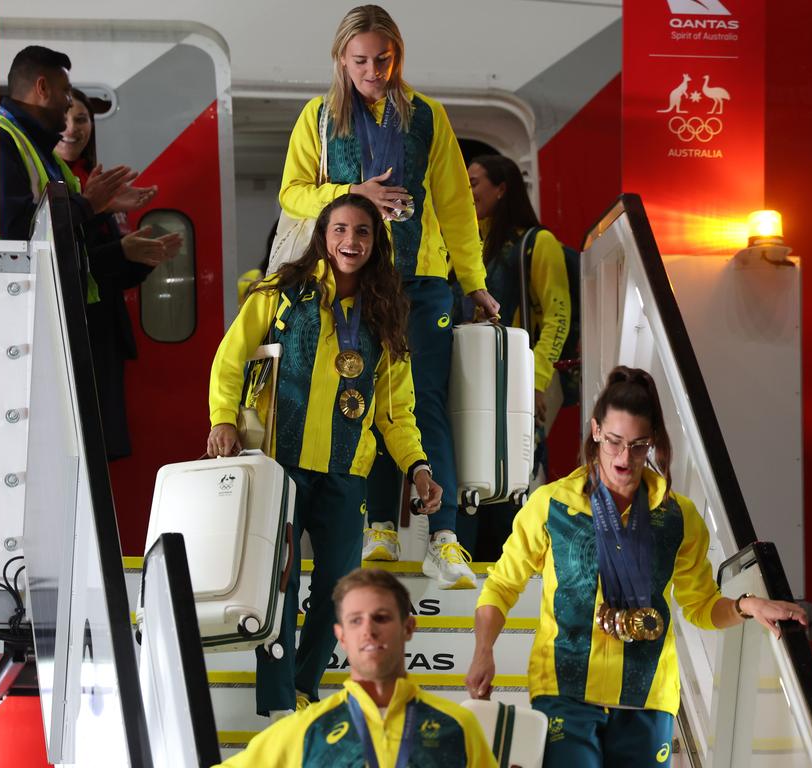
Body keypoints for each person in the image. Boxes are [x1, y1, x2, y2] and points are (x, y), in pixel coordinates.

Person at [465, 366, 809, 767]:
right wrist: (483, 650)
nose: (624, 459)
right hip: (566, 689)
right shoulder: (552, 505)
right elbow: (502, 585)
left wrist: (748, 606)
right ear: (595, 431)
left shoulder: (680, 517)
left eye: (637, 445)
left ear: (652, 444)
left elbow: (700, 606)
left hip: (649, 698)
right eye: (613, 441)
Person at [277, 4, 499, 589]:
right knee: (363, 400)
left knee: (425, 404)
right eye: (361, 61)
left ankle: (444, 537)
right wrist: (354, 191)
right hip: (348, 281)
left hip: (422, 283)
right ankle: (379, 525)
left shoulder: (428, 116)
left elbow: (455, 205)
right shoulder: (319, 118)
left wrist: (473, 282)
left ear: (397, 56)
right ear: (340, 61)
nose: (373, 70)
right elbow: (293, 193)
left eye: (384, 59)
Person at [206, 194, 442, 720]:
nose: (350, 242)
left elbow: (395, 411)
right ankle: (277, 703)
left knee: (339, 590)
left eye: (361, 232)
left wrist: (418, 467)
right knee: (282, 585)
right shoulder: (280, 295)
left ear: (375, 242)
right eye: (339, 230)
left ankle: (304, 686)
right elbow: (230, 360)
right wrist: (223, 418)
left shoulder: (385, 315)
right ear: (323, 235)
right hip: (279, 467)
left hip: (344, 474)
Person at [217, 568, 497, 767]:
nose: (368, 631)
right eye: (355, 621)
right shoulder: (307, 730)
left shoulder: (458, 726)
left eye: (381, 617)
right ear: (341, 636)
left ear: (408, 627)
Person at [455, 154, 573, 559]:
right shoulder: (466, 244)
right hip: (476, 381)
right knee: (472, 468)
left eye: (473, 183)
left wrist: (536, 381)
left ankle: (512, 562)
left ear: (502, 188)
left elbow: (558, 313)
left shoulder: (535, 242)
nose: (466, 192)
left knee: (515, 472)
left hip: (522, 380)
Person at [54, 89, 181, 460]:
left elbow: (105, 272)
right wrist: (118, 248)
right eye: (64, 118)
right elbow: (63, 261)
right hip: (72, 335)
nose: (72, 128)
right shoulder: (57, 182)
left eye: (81, 119)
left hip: (102, 336)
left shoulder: (91, 182)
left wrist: (143, 258)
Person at [0, 46, 138, 242]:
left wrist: (102, 207)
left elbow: (67, 237)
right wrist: (87, 203)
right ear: (43, 88)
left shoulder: (42, 149)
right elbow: (16, 229)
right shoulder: (1, 140)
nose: (70, 102)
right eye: (66, 91)